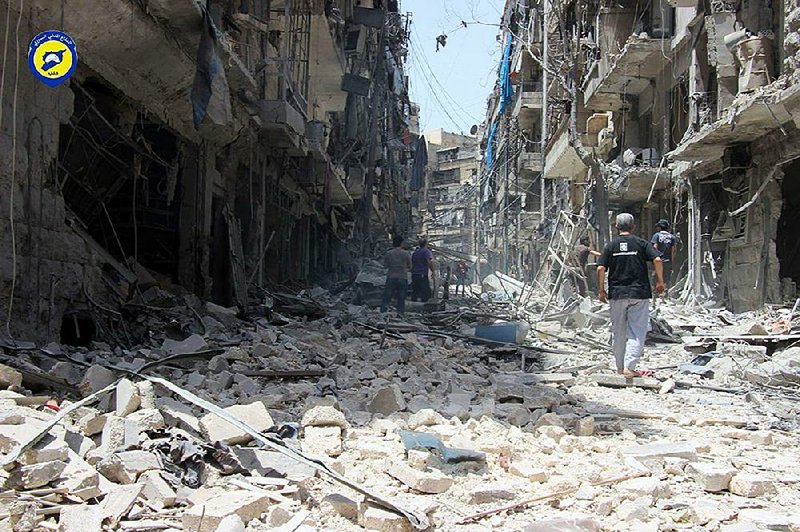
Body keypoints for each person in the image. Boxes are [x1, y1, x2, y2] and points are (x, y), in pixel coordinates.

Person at [597, 213, 665, 377]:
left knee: (618, 332)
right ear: (633, 226)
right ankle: (630, 366)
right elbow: (657, 259)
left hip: (617, 294)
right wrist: (660, 281)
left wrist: (601, 290)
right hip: (639, 293)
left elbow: (600, 268)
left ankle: (620, 368)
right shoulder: (641, 243)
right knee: (637, 330)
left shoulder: (611, 246)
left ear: (616, 227)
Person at [381, 235, 411, 314]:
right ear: (401, 243)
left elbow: (385, 265)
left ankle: (383, 312)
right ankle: (400, 314)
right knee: (401, 298)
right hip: (402, 277)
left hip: (391, 276)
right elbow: (410, 266)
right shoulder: (406, 253)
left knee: (387, 296)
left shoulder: (388, 253)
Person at [650, 219, 677, 290]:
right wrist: (672, 263)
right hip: (667, 261)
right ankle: (664, 296)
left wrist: (653, 260)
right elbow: (673, 251)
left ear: (659, 227)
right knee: (666, 279)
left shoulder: (656, 235)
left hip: (658, 261)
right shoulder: (672, 237)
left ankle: (654, 298)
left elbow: (654, 248)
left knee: (656, 278)